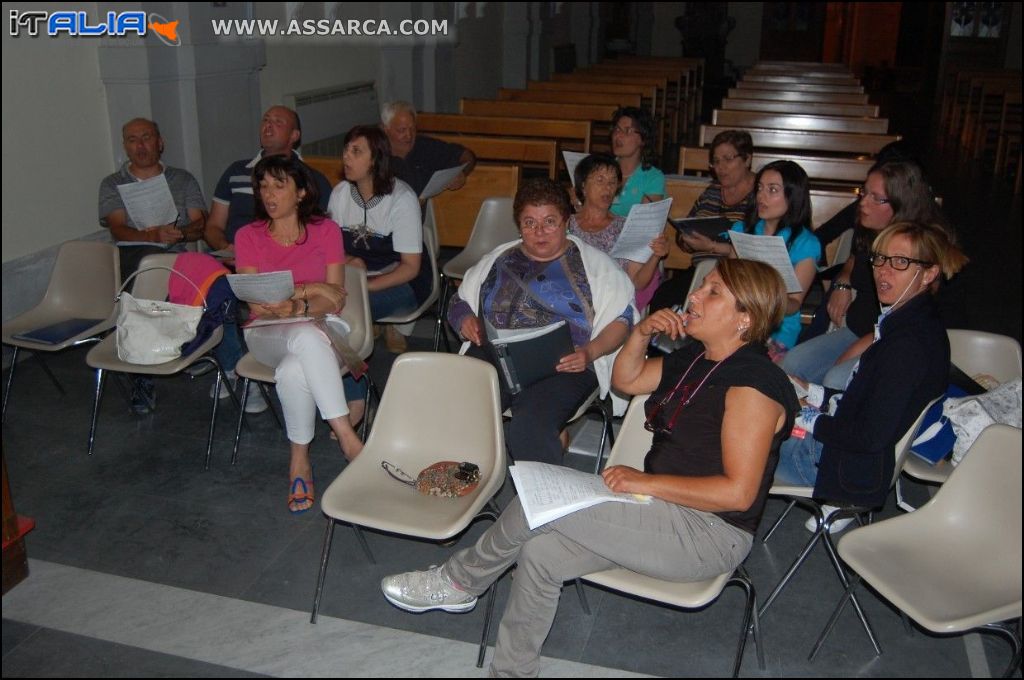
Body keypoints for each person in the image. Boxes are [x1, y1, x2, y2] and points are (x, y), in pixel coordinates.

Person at [381, 259, 798, 678]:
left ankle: (458, 583)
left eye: (713, 292)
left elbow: (738, 494)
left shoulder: (752, 385)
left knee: (534, 508)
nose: (694, 296)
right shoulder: (699, 358)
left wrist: (644, 480)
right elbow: (628, 380)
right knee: (541, 552)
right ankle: (512, 672)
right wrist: (640, 333)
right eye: (702, 286)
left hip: (707, 532)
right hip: (654, 507)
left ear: (745, 318)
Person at [776, 221, 968, 532]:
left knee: (741, 427)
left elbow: (868, 435)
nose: (883, 271)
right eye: (880, 258)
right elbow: (865, 403)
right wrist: (813, 392)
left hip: (839, 465)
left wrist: (805, 417)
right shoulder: (911, 323)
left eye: (900, 262)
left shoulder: (906, 346)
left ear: (929, 273)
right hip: (852, 454)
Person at [447, 178, 636, 466]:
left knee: (530, 427)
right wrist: (465, 320)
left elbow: (622, 319)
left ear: (566, 222)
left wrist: (590, 353)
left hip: (565, 363)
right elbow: (459, 301)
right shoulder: (499, 258)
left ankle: (541, 503)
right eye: (529, 223)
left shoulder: (597, 267)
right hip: (496, 354)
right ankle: (466, 486)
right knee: (461, 408)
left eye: (550, 222)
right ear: (518, 225)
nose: (539, 232)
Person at [234, 155, 364, 514]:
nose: (269, 195)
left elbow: (334, 298)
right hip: (265, 334)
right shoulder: (248, 236)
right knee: (303, 338)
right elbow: (258, 304)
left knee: (294, 367)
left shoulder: (326, 231)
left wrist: (295, 302)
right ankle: (350, 440)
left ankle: (299, 463)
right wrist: (310, 290)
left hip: (323, 328)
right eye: (263, 187)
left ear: (302, 192)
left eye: (279, 185)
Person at [783, 160, 954, 389]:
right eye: (864, 192)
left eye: (876, 198)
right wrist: (843, 280)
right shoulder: (871, 229)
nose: (863, 202)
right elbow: (855, 258)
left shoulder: (919, 250)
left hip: (895, 339)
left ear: (900, 205)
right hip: (858, 327)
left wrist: (863, 344)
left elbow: (912, 321)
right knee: (791, 363)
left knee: (837, 380)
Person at [98, 117, 208, 415]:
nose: (141, 145)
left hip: (176, 257)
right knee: (145, 260)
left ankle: (150, 362)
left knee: (174, 268)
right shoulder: (113, 184)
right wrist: (151, 235)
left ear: (160, 142)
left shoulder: (182, 179)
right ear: (125, 147)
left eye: (146, 137)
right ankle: (141, 373)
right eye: (132, 139)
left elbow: (200, 225)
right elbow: (118, 229)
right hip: (133, 260)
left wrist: (181, 233)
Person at [681, 160, 820, 358]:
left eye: (772, 190)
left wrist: (767, 296)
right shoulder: (744, 229)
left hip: (777, 326)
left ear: (793, 196)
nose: (762, 196)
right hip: (735, 316)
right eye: (760, 188)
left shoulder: (805, 242)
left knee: (747, 363)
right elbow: (727, 280)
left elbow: (794, 304)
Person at [327, 125, 427, 355]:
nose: (346, 157)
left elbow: (410, 268)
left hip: (400, 280)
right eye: (346, 150)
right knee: (328, 302)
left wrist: (363, 288)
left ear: (375, 160)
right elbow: (329, 250)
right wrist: (350, 259)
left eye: (356, 151)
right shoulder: (340, 193)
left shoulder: (402, 198)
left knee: (342, 309)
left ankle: (353, 383)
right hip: (354, 278)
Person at [648, 129, 757, 312]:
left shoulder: (759, 195)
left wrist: (711, 246)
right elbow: (686, 228)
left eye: (728, 159)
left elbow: (754, 245)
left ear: (747, 159)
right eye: (716, 161)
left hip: (737, 274)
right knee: (663, 297)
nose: (720, 167)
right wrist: (688, 240)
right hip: (701, 271)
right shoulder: (712, 192)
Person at [204, 105, 333, 253]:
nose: (268, 125)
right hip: (232, 255)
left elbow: (320, 233)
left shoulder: (311, 179)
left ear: (294, 136)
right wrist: (226, 248)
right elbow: (213, 226)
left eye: (278, 122)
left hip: (285, 258)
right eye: (265, 120)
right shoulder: (236, 172)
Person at [568, 154, 669, 309]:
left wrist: (656, 255)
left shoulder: (626, 227)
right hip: (571, 299)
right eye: (600, 180)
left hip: (612, 304)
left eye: (612, 182)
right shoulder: (565, 225)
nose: (607, 188)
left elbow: (637, 282)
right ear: (583, 186)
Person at [381, 100, 477, 197]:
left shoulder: (425, 146)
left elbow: (467, 155)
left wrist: (462, 173)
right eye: (402, 130)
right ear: (386, 130)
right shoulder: (375, 155)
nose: (409, 136)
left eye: (413, 129)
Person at [609, 106, 665, 217]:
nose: (618, 135)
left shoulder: (653, 178)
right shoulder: (602, 170)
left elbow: (643, 224)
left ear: (643, 139)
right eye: (617, 129)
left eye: (627, 131)